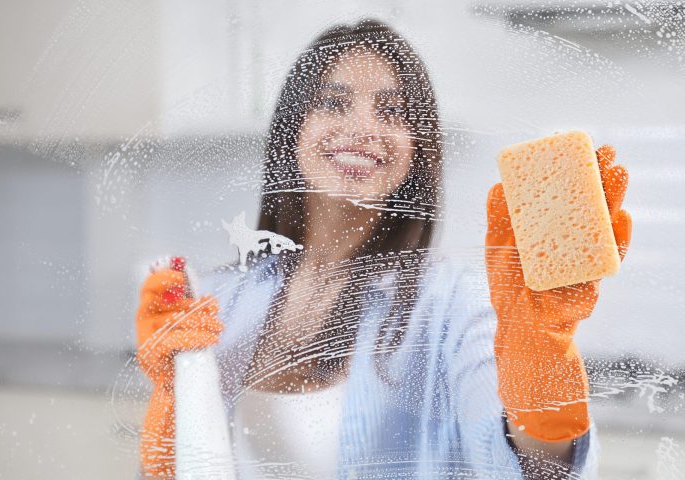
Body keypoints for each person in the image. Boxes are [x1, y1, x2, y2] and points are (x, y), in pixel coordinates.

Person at [135, 19, 631, 479]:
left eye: (392, 112)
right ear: (293, 130)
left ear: (418, 151)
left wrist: (541, 367)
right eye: (333, 102)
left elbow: (534, 470)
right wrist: (169, 399)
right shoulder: (222, 297)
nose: (364, 127)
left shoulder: (454, 307)